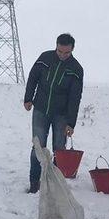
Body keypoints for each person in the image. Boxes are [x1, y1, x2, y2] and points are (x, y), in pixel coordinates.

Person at [24, 33, 84, 193]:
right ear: (56, 46)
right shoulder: (45, 58)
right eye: (60, 51)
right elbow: (32, 78)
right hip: (41, 109)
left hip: (61, 115)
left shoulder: (76, 69)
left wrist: (71, 123)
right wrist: (28, 98)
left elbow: (75, 98)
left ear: (72, 50)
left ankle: (55, 184)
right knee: (38, 146)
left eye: (67, 53)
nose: (63, 55)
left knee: (59, 149)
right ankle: (34, 183)